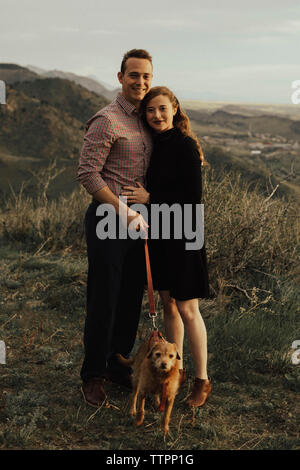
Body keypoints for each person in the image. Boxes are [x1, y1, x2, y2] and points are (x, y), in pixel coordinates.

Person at [122, 86, 211, 407]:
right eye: (150, 110)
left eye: (162, 109)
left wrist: (150, 199)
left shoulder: (186, 146)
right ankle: (178, 370)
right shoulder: (151, 145)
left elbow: (192, 198)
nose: (157, 115)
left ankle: (202, 380)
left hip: (185, 234)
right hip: (160, 235)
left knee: (188, 309)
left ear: (174, 109)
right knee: (169, 306)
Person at [77, 49, 153, 407]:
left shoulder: (147, 118)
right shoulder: (106, 120)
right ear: (120, 77)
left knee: (129, 298)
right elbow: (88, 174)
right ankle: (92, 376)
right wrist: (124, 211)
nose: (141, 82)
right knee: (104, 298)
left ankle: (117, 363)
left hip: (140, 224)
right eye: (134, 75)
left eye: (146, 76)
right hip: (110, 219)